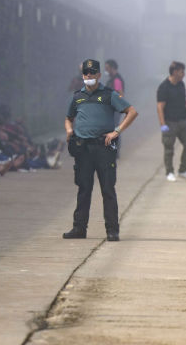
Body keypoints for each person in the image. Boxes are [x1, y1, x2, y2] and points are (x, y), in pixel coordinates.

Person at [63, 59, 138, 242]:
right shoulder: (77, 97)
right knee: (84, 188)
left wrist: (117, 131)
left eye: (93, 73)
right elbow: (68, 118)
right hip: (83, 148)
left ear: (98, 75)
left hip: (103, 147)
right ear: (83, 75)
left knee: (107, 188)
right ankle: (79, 228)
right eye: (86, 73)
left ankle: (112, 230)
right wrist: (69, 130)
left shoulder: (108, 94)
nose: (89, 76)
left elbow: (131, 112)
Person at [157, 61, 186, 182]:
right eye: (181, 71)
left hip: (183, 121)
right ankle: (169, 172)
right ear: (174, 72)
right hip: (170, 122)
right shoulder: (164, 87)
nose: (183, 74)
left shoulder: (181, 84)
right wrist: (163, 124)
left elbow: (185, 102)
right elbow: (160, 107)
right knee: (169, 148)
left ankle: (183, 170)